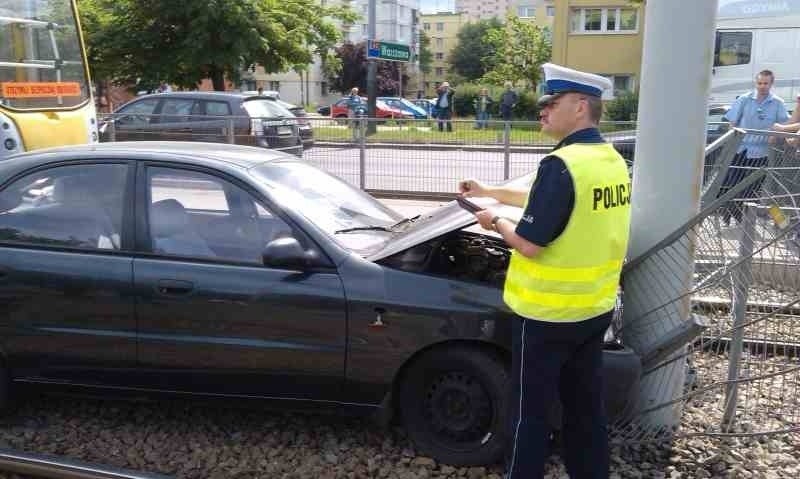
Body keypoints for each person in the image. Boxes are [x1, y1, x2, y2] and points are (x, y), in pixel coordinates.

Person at [459, 63, 631, 479]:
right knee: (585, 411)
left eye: (551, 104)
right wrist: (489, 191)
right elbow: (546, 201)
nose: (543, 112)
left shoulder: (562, 164)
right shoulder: (608, 159)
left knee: (528, 418)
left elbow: (531, 244)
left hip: (546, 318)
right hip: (593, 311)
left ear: (580, 106)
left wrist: (493, 221)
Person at [718, 70, 789, 225]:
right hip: (740, 150)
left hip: (761, 153)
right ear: (756, 83)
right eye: (759, 83)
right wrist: (731, 140)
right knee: (732, 184)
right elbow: (732, 123)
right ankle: (729, 216)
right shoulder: (744, 99)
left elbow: (785, 124)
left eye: (765, 83)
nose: (762, 86)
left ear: (771, 84)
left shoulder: (778, 103)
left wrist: (775, 134)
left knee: (753, 187)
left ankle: (745, 219)